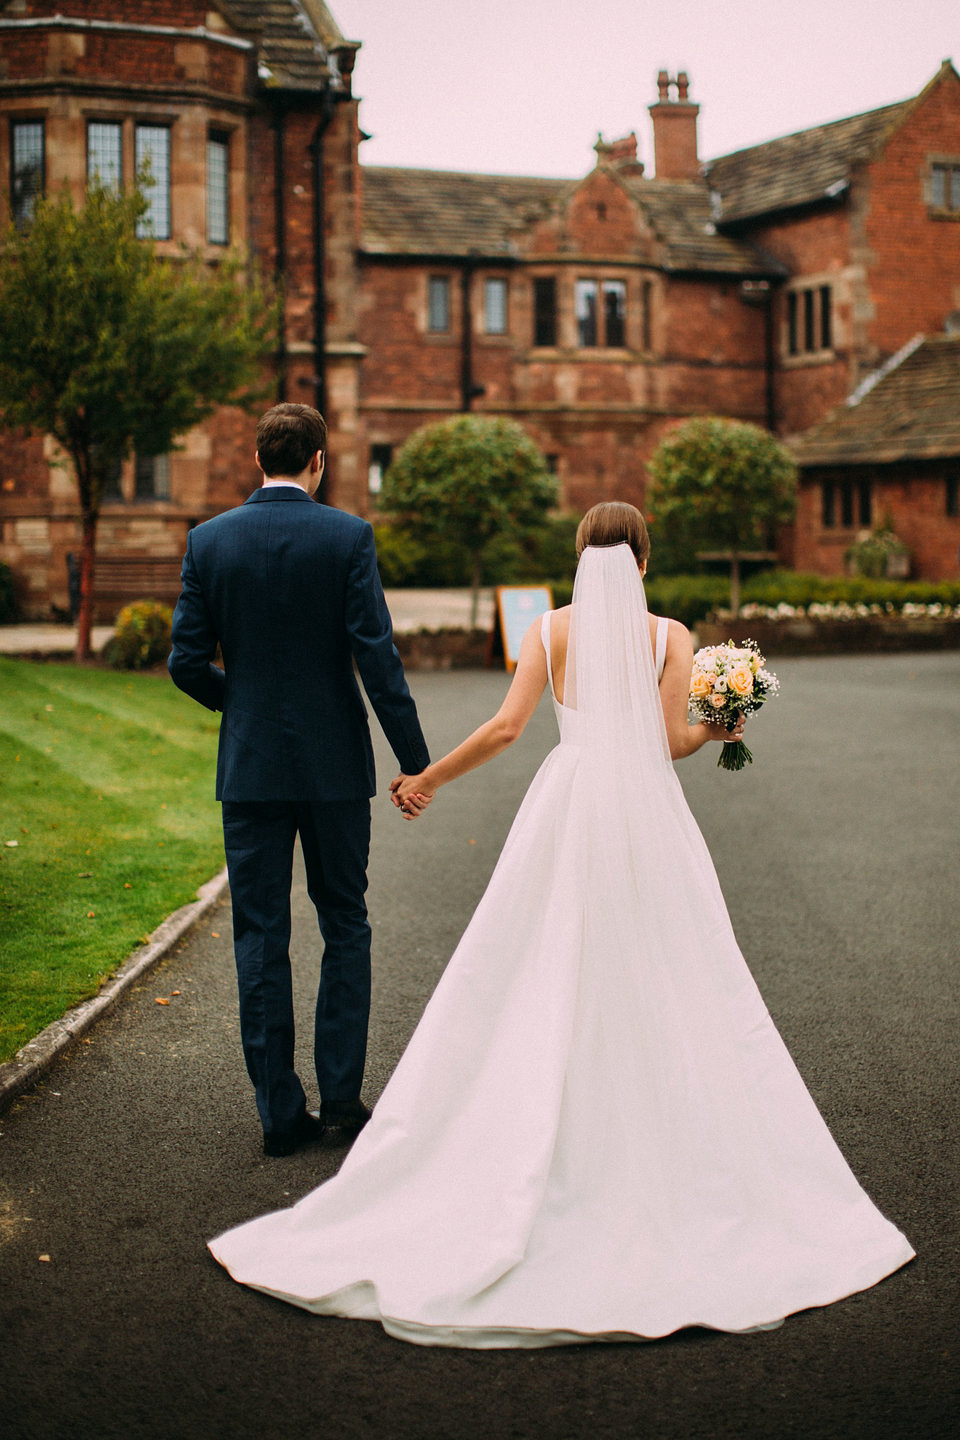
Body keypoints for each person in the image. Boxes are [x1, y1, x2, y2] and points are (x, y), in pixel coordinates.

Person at [208, 501, 913, 1345]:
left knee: (538, 962)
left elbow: (507, 728)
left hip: (569, 803)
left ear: (579, 556)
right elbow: (671, 743)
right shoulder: (669, 635)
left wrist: (427, 778)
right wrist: (728, 717)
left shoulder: (548, 631)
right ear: (643, 562)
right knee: (669, 965)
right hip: (646, 814)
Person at [168, 403, 430, 1158]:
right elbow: (376, 657)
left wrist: (242, 705)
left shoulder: (208, 541)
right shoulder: (347, 536)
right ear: (318, 462)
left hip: (250, 769)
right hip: (335, 767)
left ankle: (279, 1114)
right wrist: (414, 759)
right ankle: (342, 1101)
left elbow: (186, 663)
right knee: (345, 921)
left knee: (260, 934)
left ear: (261, 461)